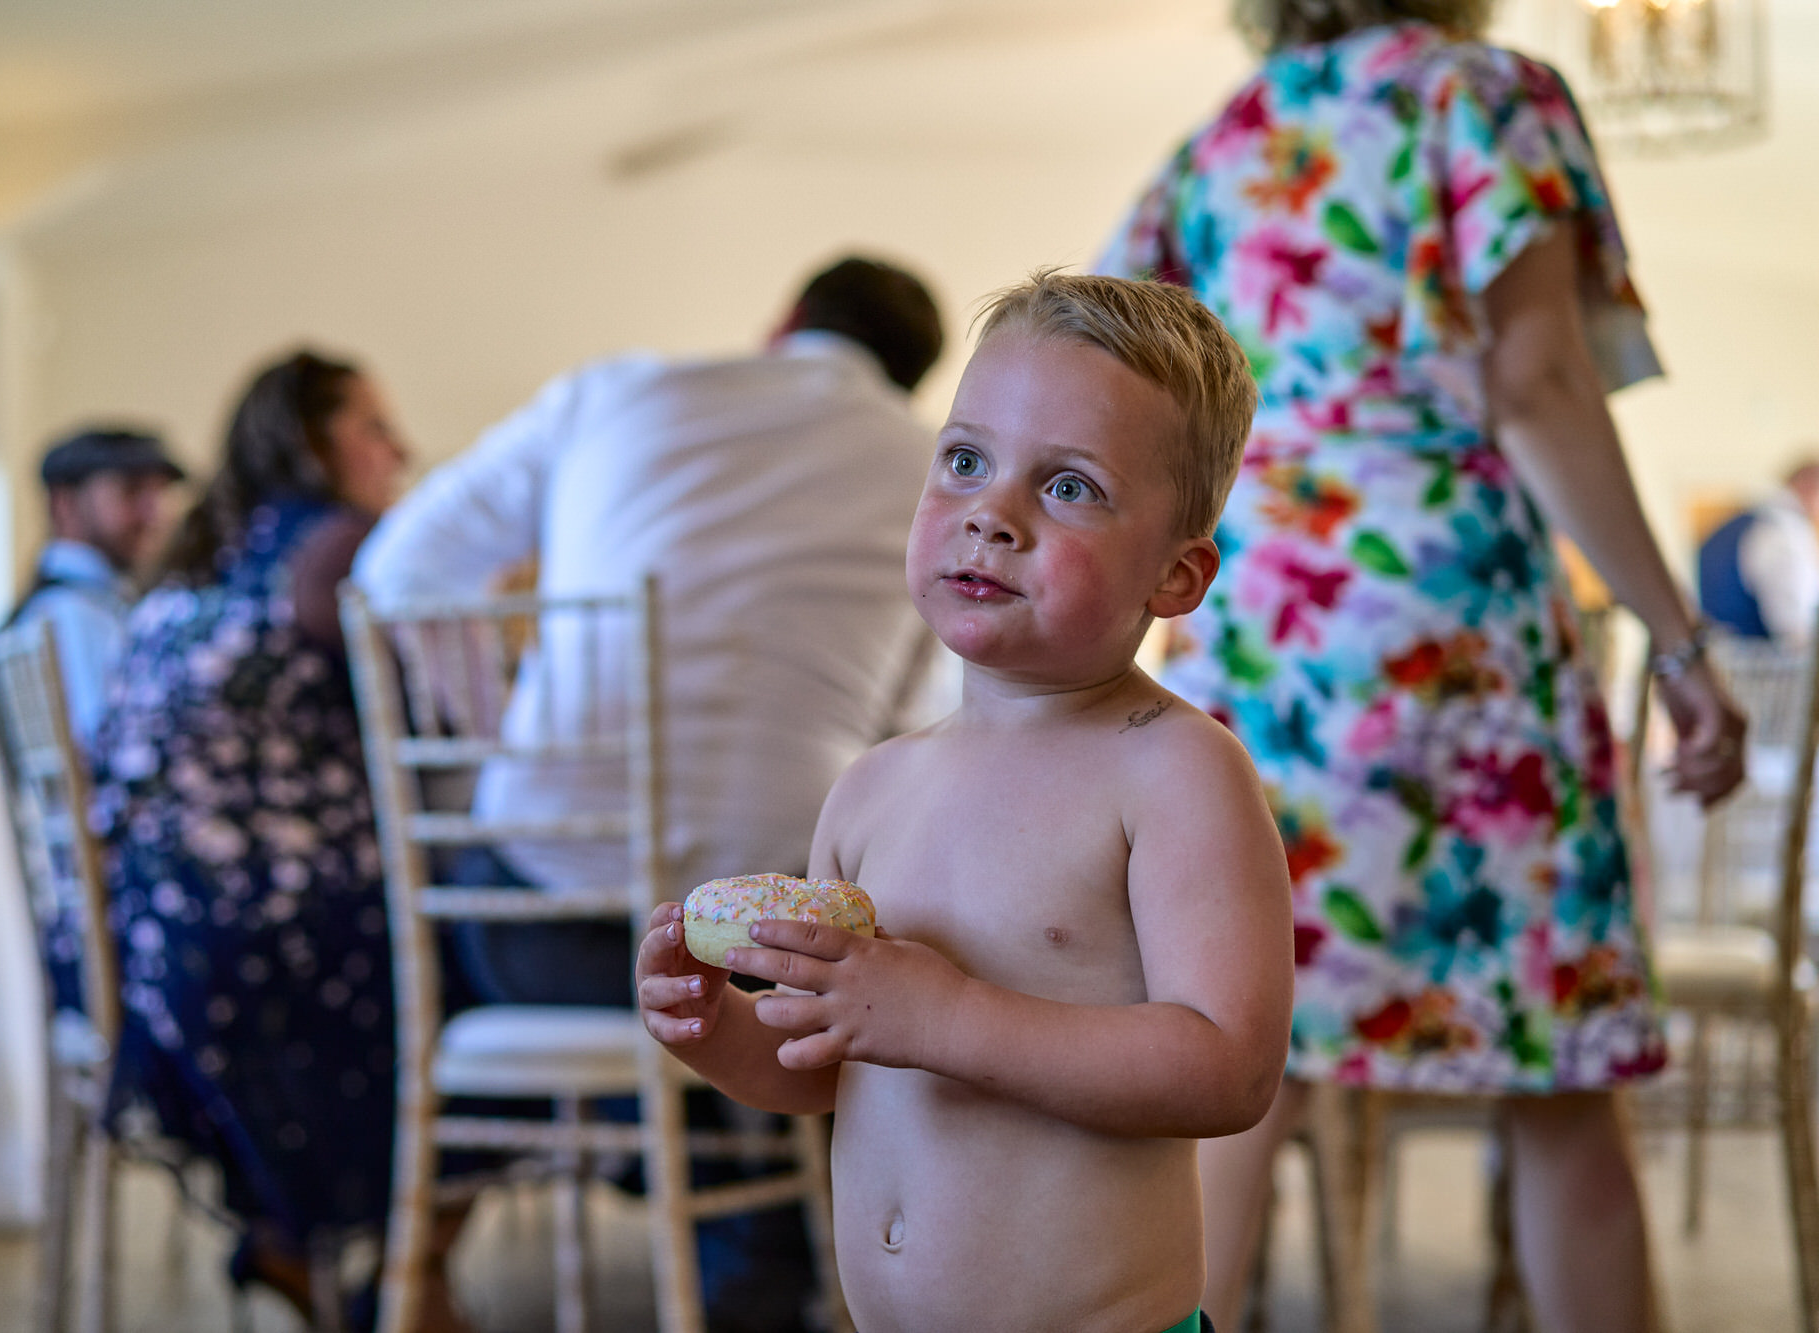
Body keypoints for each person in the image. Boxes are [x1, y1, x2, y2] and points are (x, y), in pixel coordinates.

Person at [1095, 3, 1747, 1328]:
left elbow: (1122, 375)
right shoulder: (1482, 94)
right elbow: (1539, 382)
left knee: (1239, 1068)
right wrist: (1679, 642)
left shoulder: (1225, 137)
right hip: (1456, 627)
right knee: (1555, 1067)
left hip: (1267, 625)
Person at [637, 271, 1292, 1333]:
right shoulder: (869, 787)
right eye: (964, 460)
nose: (991, 513)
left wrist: (948, 1015)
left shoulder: (1173, 770)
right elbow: (832, 1064)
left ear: (1174, 577)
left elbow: (1228, 1068)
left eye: (1068, 486)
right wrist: (722, 1035)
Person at [353, 253, 944, 1331]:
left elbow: (399, 570)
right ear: (906, 378)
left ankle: (409, 1242)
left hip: (539, 926)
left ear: (783, 321)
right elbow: (918, 733)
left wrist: (508, 734)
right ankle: (749, 1230)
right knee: (787, 975)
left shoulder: (617, 392)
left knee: (441, 924)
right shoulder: (927, 470)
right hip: (765, 950)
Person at [83, 350, 459, 1328]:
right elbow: (440, 727)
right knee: (486, 969)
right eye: (374, 427)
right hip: (258, 939)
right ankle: (408, 1279)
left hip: (143, 940)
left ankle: (303, 1247)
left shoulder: (207, 551)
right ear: (310, 440)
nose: (400, 449)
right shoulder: (340, 545)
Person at [0, 427, 183, 742]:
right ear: (64, 504)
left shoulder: (71, 604)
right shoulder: (70, 614)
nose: (154, 515)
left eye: (158, 495)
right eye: (131, 492)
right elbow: (105, 745)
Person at [1698, 458, 1819, 643]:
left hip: (1726, 651)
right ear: (1809, 484)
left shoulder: (1749, 521)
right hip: (1761, 661)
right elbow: (1793, 626)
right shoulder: (1782, 532)